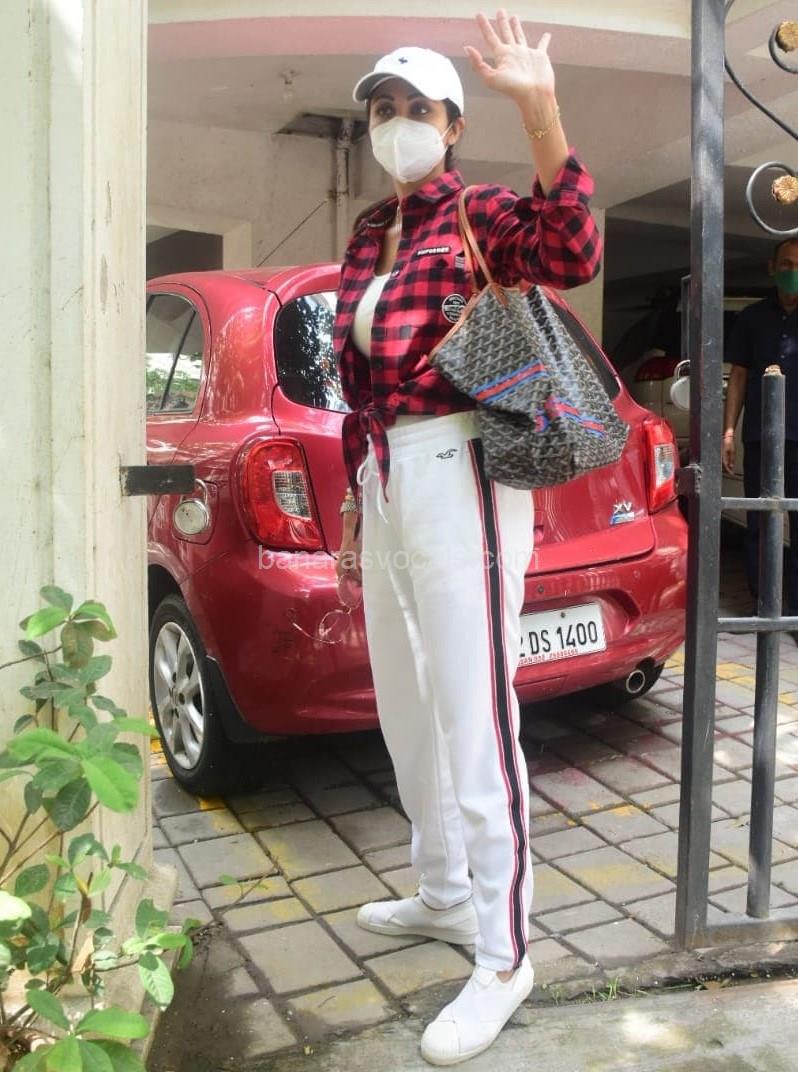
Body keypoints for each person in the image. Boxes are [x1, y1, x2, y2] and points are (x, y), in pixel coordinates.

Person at [332, 10, 601, 1065]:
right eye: (382, 109)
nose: (397, 123)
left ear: (451, 126)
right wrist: (358, 500)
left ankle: (503, 952)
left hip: (461, 469)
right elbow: (360, 382)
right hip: (386, 471)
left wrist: (541, 110)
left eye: (417, 108)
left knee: (475, 709)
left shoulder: (480, 210)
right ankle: (443, 890)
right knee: (406, 699)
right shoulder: (369, 230)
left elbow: (572, 246)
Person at [723, 237, 798, 622]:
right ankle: (763, 604)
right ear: (772, 268)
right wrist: (728, 432)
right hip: (761, 438)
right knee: (759, 521)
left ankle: (796, 610)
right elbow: (738, 376)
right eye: (786, 264)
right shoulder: (751, 318)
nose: (793, 272)